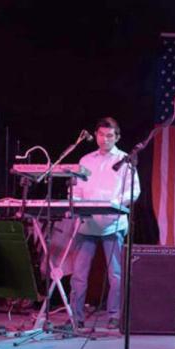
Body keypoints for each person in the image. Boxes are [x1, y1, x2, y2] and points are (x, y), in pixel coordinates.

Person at [68, 117, 140, 330]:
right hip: (86, 223)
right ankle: (76, 316)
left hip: (113, 223)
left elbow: (134, 190)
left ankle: (115, 315)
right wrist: (78, 202)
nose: (104, 139)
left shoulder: (125, 159)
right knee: (79, 273)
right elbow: (76, 188)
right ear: (96, 135)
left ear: (116, 137)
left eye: (109, 136)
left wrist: (117, 203)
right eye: (101, 135)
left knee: (116, 274)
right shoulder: (86, 160)